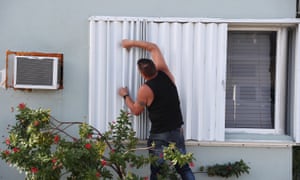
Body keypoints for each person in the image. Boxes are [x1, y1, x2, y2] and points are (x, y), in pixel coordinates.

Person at [118, 39, 195, 180]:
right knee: (183, 167)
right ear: (156, 66)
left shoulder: (145, 89)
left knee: (157, 171)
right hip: (176, 130)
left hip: (159, 134)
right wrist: (130, 43)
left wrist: (125, 95)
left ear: (142, 74)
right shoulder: (166, 73)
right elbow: (152, 47)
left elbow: (136, 111)